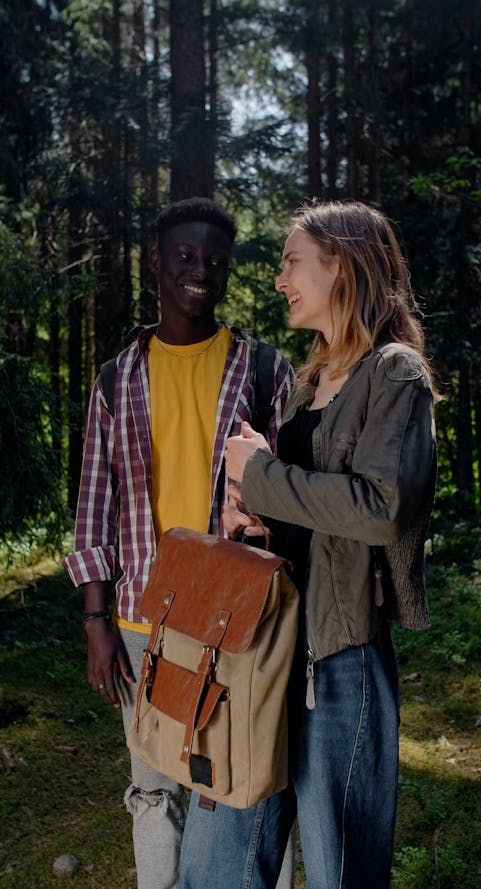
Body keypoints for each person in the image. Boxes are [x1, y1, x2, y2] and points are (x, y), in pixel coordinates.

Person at [178, 199, 437, 889]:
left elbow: (380, 509)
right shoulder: (309, 378)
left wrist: (262, 476)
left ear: (342, 266)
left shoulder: (395, 376)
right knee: (217, 864)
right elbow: (307, 516)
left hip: (341, 666)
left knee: (338, 872)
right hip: (264, 654)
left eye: (292, 261)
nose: (279, 279)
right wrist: (255, 520)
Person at [64, 197, 296, 889]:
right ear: (158, 264)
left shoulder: (263, 370)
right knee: (155, 788)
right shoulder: (117, 378)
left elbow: (293, 499)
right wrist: (96, 622)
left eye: (216, 262)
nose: (201, 272)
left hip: (234, 619)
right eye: (186, 258)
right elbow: (93, 506)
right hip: (142, 621)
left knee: (246, 781)